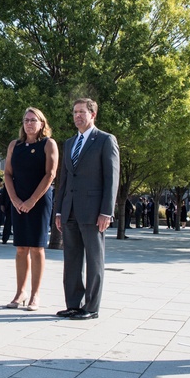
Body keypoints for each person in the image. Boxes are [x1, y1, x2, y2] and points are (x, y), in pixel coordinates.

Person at [55, 98, 120, 320]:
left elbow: (112, 178)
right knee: (71, 259)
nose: (77, 116)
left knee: (94, 260)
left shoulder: (105, 140)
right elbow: (63, 179)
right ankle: (74, 304)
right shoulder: (69, 143)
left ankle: (91, 307)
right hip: (70, 210)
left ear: (93, 115)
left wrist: (106, 211)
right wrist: (59, 211)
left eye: (82, 112)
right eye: (75, 112)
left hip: (93, 212)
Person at [3, 107, 59, 311]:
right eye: (26, 120)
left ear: (42, 123)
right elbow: (7, 174)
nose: (29, 123)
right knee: (20, 249)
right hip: (18, 201)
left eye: (33, 120)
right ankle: (20, 292)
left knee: (36, 248)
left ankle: (35, 295)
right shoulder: (14, 145)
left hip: (39, 201)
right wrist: (16, 199)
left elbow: (50, 174)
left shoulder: (48, 144)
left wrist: (32, 201)